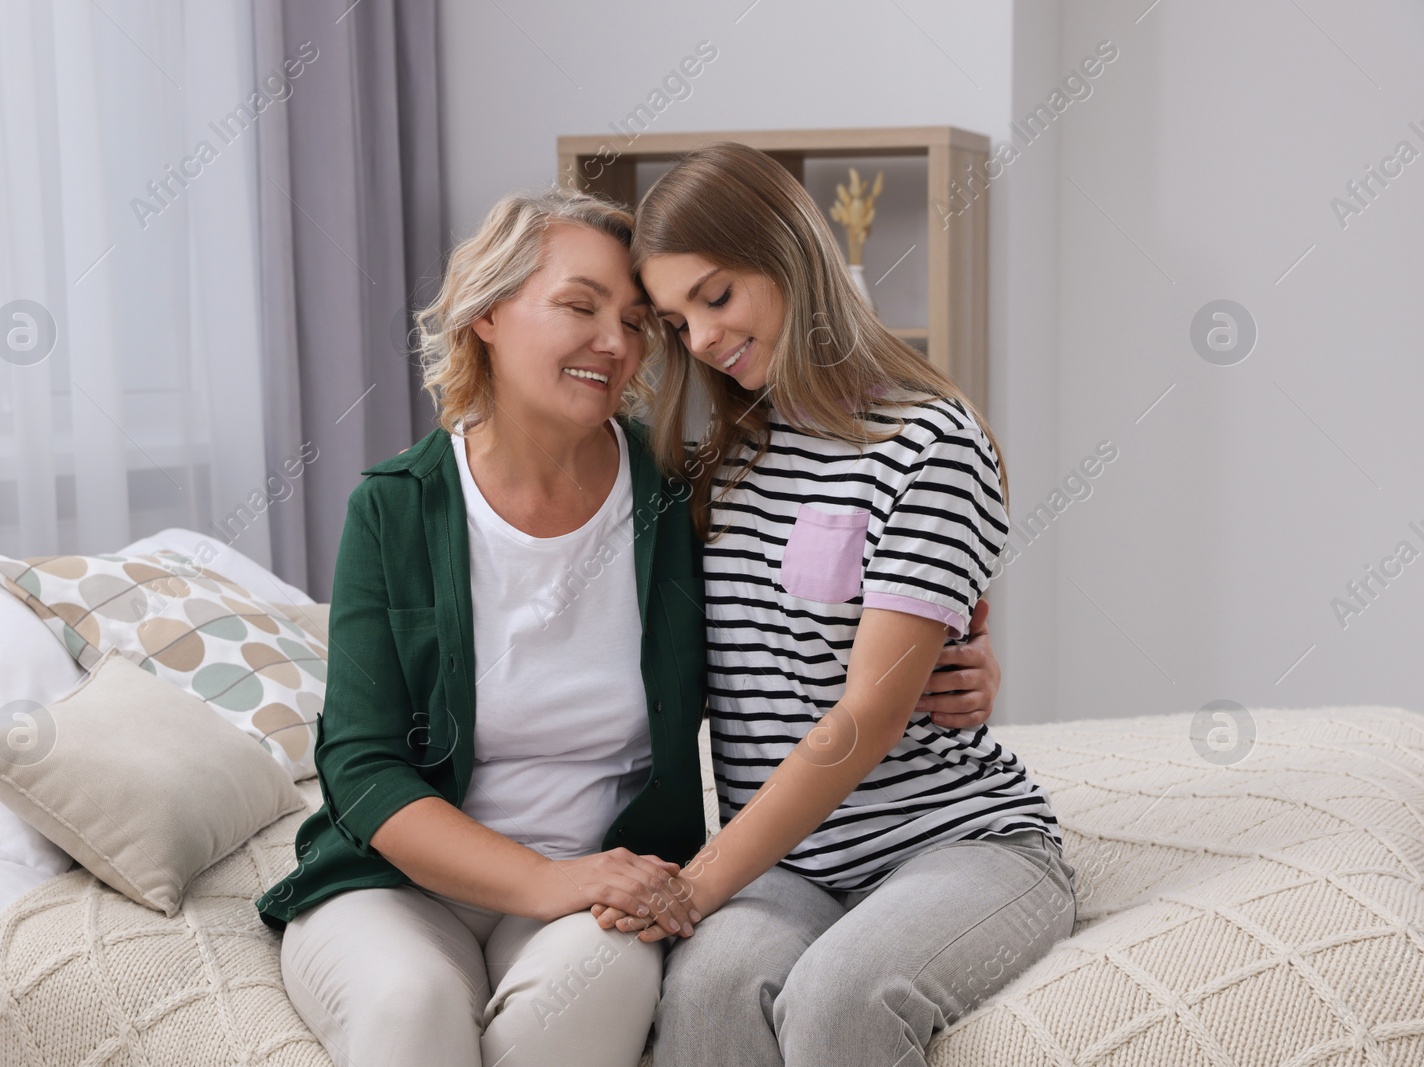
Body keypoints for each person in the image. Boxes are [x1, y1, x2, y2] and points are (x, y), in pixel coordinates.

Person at [254, 185, 1003, 1067]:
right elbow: (361, 765)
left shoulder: (679, 498)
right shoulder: (395, 508)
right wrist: (547, 879)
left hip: (609, 887)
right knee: (412, 1010)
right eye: (580, 306)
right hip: (403, 883)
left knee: (584, 1004)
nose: (617, 342)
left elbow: (806, 619)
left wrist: (956, 664)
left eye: (641, 321)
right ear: (487, 313)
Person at [591, 142, 1075, 1067]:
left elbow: (865, 716)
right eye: (676, 318)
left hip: (958, 843)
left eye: (718, 295)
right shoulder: (725, 462)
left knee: (839, 1001)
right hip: (794, 865)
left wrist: (692, 888)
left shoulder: (930, 441)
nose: (700, 340)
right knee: (705, 995)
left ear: (791, 253)